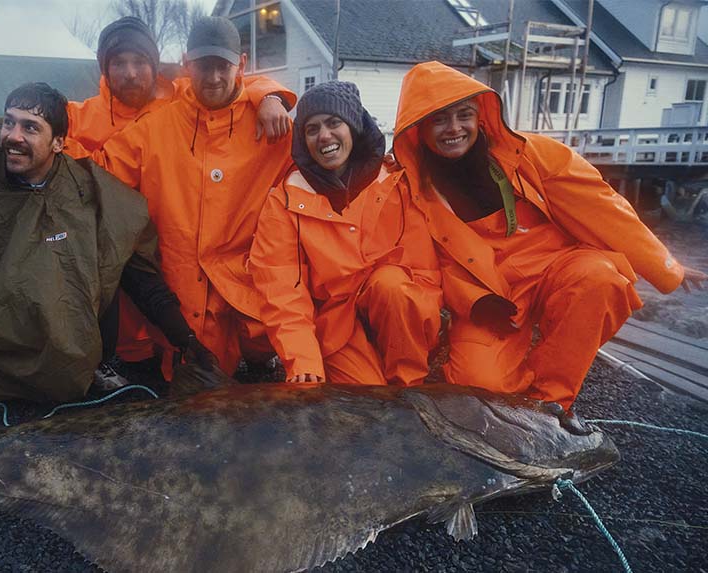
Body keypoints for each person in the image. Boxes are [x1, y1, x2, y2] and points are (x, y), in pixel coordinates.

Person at [0, 16, 294, 387]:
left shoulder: (190, 101)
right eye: (119, 63)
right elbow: (27, 123)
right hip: (132, 251)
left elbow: (240, 88)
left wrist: (269, 95)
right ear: (104, 68)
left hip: (200, 266)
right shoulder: (96, 116)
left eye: (140, 63)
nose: (131, 73)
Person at [0, 82, 214, 418]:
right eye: (9, 122)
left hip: (66, 360)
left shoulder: (88, 192)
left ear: (58, 143)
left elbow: (139, 275)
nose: (14, 136)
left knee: (111, 253)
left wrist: (184, 340)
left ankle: (89, 366)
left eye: (30, 128)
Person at [390, 61, 707, 409]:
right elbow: (427, 266)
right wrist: (473, 302)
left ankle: (551, 403)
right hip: (490, 290)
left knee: (601, 278)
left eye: (463, 115)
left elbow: (602, 206)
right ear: (418, 128)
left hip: (555, 268)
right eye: (439, 119)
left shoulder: (532, 154)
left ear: (481, 115)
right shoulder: (408, 190)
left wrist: (667, 267)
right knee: (481, 386)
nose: (454, 128)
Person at [89, 17, 297, 377]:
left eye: (223, 66)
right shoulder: (155, 127)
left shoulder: (272, 127)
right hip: (177, 296)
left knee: (237, 385)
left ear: (242, 66)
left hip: (246, 291)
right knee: (192, 384)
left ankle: (261, 360)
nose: (213, 77)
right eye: (203, 66)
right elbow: (93, 170)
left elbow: (330, 155)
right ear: (187, 63)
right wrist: (7, 150)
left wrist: (271, 94)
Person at [249, 81, 442, 385]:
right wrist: (303, 361)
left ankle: (410, 389)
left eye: (334, 123)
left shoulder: (396, 184)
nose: (324, 135)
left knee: (393, 286)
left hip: (394, 317)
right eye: (312, 129)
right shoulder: (283, 201)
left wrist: (416, 334)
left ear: (353, 126)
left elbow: (423, 275)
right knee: (364, 398)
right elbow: (282, 290)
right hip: (337, 329)